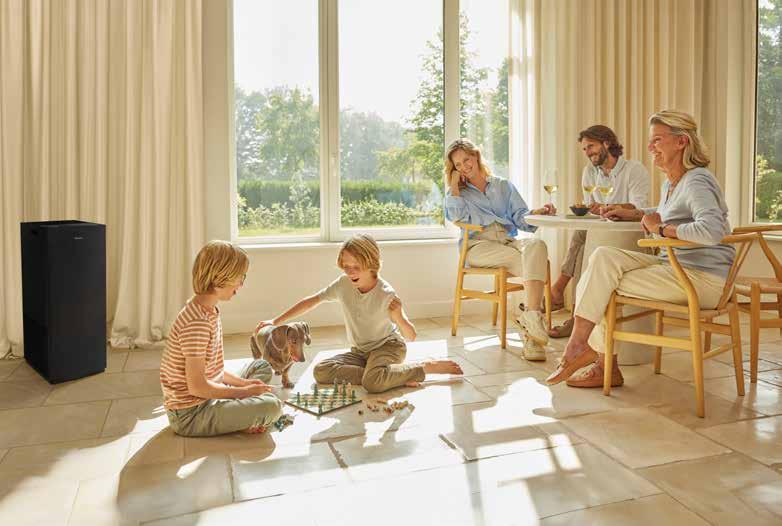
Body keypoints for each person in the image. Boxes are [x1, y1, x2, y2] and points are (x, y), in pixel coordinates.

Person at [546, 110, 735, 388]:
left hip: (703, 279)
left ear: (681, 141)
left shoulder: (697, 180)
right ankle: (587, 352)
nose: (650, 147)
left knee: (602, 281)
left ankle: (594, 358)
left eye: (657, 140)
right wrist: (633, 213)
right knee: (603, 257)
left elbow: (712, 230)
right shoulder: (673, 183)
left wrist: (661, 229)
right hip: (676, 268)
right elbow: (665, 213)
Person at [256, 234, 463, 393]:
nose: (350, 271)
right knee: (321, 371)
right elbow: (312, 301)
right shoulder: (343, 283)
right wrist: (275, 320)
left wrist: (399, 317)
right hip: (360, 352)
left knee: (372, 384)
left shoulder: (386, 294)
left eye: (356, 266)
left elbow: (411, 336)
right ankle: (389, 375)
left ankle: (424, 367)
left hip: (388, 348)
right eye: (346, 266)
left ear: (371, 264)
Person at [444, 138, 556, 361]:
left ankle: (531, 319)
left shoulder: (503, 186)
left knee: (537, 245)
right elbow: (455, 217)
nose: (464, 166)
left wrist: (538, 213)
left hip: (507, 242)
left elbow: (521, 218)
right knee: (534, 263)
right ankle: (533, 334)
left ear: (476, 156)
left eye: (466, 160)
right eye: (458, 165)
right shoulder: (457, 193)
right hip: (478, 246)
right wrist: (454, 186)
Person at [161, 241, 284, 437]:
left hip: (209, 394)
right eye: (240, 277)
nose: (241, 284)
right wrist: (244, 393)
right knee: (273, 407)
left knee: (262, 366)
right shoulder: (197, 323)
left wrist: (244, 385)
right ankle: (242, 414)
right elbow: (197, 386)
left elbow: (212, 369)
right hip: (191, 414)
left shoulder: (207, 310)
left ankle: (239, 413)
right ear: (220, 277)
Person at [548, 125, 650, 339]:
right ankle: (573, 314)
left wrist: (613, 207)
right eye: (584, 149)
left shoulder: (634, 169)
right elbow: (589, 206)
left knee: (583, 236)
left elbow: (639, 207)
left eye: (591, 146)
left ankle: (560, 291)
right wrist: (595, 209)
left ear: (607, 143)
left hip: (628, 233)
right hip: (600, 230)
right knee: (584, 239)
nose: (587, 153)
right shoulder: (589, 172)